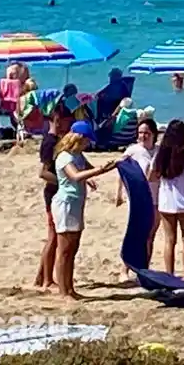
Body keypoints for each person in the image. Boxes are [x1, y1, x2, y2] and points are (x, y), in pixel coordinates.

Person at [52, 120, 119, 299]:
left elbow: (85, 169)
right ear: (78, 138)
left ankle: (70, 288)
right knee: (64, 249)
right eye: (86, 140)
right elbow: (74, 175)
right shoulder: (64, 156)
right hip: (65, 204)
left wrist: (107, 167)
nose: (88, 144)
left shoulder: (78, 155)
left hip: (77, 203)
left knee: (73, 248)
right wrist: (98, 171)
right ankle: (63, 291)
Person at [150, 119, 184, 280]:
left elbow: (152, 177)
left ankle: (170, 275)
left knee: (169, 241)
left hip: (166, 202)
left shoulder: (160, 155)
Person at [34, 105, 73, 289]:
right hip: (53, 194)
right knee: (53, 238)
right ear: (57, 119)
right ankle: (47, 279)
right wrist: (64, 181)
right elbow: (43, 173)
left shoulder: (58, 139)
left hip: (58, 192)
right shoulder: (49, 142)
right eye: (66, 121)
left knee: (55, 237)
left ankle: (41, 276)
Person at [116, 117, 161, 268]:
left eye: (146, 133)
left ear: (153, 134)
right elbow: (122, 172)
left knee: (150, 235)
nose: (143, 136)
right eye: (140, 132)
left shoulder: (159, 151)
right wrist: (119, 194)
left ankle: (144, 267)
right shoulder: (132, 150)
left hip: (156, 197)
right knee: (135, 234)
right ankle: (126, 269)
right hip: (137, 197)